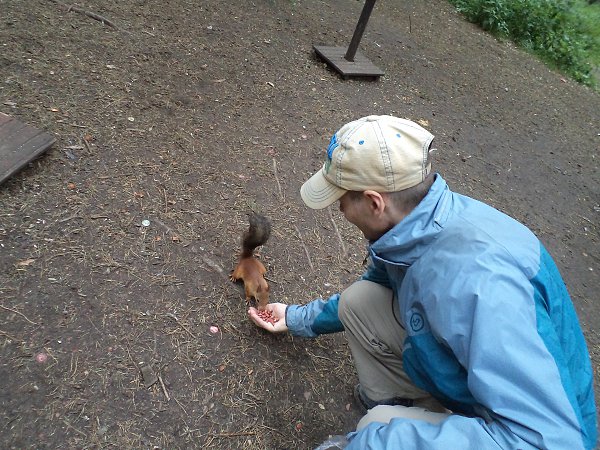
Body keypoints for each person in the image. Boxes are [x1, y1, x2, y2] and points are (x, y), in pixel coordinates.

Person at [247, 115, 598, 449]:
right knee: (359, 300)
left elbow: (551, 441)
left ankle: (406, 416)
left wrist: (373, 442)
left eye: (341, 200)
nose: (339, 210)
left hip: (516, 425)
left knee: (376, 426)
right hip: (472, 381)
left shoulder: (481, 283)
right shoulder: (419, 224)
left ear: (374, 203)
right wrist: (295, 317)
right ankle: (406, 404)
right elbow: (379, 283)